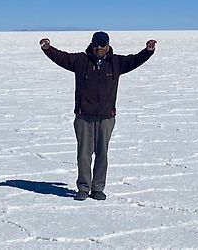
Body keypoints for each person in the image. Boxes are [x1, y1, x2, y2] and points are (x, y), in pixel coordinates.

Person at [40, 31, 157, 201]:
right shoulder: (81, 61)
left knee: (102, 153)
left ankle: (97, 188)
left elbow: (134, 60)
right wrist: (48, 48)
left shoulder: (116, 62)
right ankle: (83, 188)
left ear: (108, 45)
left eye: (102, 44)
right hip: (83, 117)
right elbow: (62, 58)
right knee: (84, 154)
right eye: (96, 44)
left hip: (106, 117)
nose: (99, 48)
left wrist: (147, 51)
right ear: (91, 45)